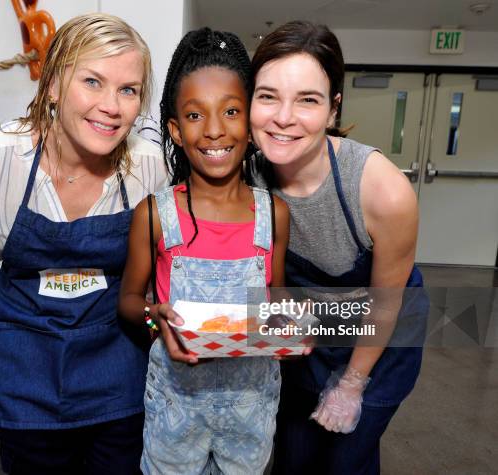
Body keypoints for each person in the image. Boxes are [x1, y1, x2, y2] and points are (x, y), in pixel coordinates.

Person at [0, 13, 168, 474]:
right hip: (25, 365)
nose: (112, 106)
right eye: (93, 82)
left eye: (129, 90)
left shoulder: (148, 167)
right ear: (54, 85)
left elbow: (160, 269)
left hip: (116, 366)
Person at [249, 21, 429, 475]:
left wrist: (351, 384)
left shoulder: (379, 189)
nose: (283, 117)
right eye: (267, 96)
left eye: (307, 100)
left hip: (383, 335)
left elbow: (386, 304)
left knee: (345, 461)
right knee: (293, 457)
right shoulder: (247, 176)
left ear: (332, 109)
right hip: (310, 330)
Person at [118, 28, 290, 475]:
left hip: (250, 413)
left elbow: (276, 303)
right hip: (176, 410)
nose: (215, 129)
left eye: (232, 111)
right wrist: (158, 320)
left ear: (250, 123)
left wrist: (295, 325)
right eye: (195, 116)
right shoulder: (155, 215)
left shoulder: (274, 214)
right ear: (175, 130)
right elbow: (129, 303)